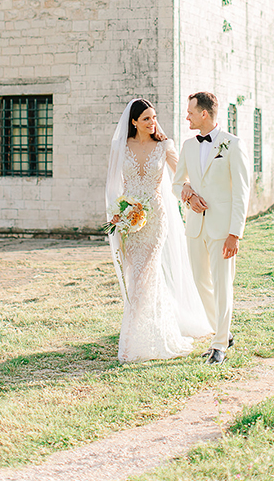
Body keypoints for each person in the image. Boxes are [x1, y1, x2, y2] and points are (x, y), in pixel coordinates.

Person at [105, 98, 210, 363]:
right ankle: (155, 329)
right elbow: (112, 184)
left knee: (144, 274)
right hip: (129, 219)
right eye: (146, 119)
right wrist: (117, 213)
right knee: (137, 276)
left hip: (155, 219)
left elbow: (182, 176)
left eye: (154, 117)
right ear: (134, 122)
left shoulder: (164, 147)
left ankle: (130, 342)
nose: (153, 123)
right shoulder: (122, 146)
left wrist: (193, 192)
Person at [172, 91, 251, 365]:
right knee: (200, 282)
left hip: (222, 230)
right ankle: (223, 332)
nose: (187, 117)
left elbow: (242, 193)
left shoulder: (233, 145)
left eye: (190, 112)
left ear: (204, 114)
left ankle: (219, 346)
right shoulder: (188, 146)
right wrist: (188, 195)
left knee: (222, 285)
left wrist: (234, 233)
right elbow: (176, 182)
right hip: (195, 228)